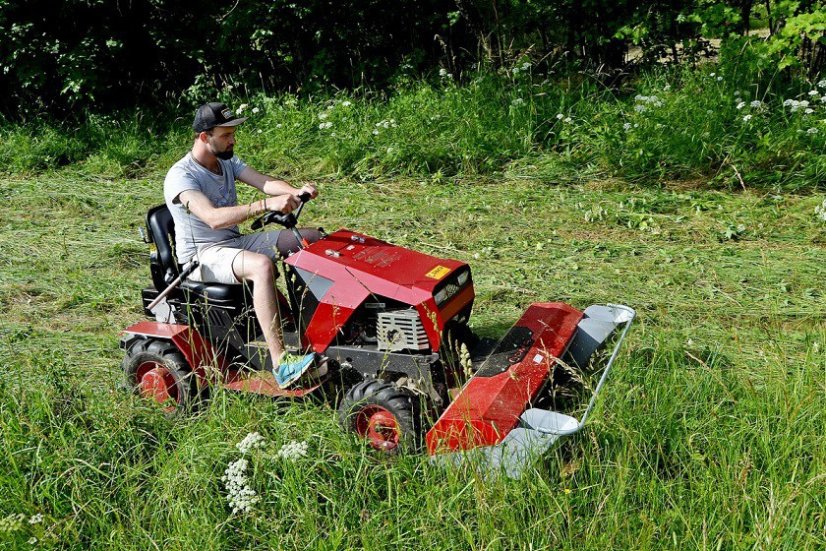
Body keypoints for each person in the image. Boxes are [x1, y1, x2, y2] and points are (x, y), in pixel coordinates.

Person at [164, 102, 321, 388]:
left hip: (233, 242)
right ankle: (282, 364)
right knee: (261, 266)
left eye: (233, 133)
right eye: (226, 135)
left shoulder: (226, 161)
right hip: (202, 256)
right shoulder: (181, 176)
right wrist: (264, 205)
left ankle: (318, 331)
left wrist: (294, 191)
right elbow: (212, 218)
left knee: (310, 239)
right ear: (204, 137)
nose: (233, 140)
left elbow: (264, 183)